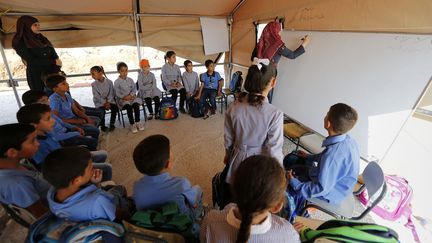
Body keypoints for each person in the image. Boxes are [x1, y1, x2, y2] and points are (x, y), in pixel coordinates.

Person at [200, 155, 301, 243]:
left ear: (233, 188)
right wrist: (291, 233)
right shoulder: (288, 234)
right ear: (277, 206)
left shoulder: (211, 221)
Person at [284, 103, 360, 218]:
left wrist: (295, 183)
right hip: (334, 182)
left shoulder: (333, 156)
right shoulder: (348, 140)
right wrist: (309, 157)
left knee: (289, 184)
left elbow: (321, 188)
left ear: (328, 123)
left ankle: (298, 214)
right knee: (292, 160)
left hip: (331, 191)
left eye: (327, 114)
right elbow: (325, 159)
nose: (325, 116)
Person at [224, 63, 283, 185]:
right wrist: (280, 174)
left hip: (237, 158)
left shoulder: (234, 106)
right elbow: (274, 150)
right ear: (273, 82)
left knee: (236, 189)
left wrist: (228, 155)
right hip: (259, 165)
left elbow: (228, 139)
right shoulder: (275, 114)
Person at [42, 147, 131, 222]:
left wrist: (95, 183)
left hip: (88, 212)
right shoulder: (98, 201)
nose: (94, 169)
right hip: (110, 208)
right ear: (77, 180)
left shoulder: (52, 194)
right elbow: (121, 216)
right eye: (91, 168)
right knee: (120, 189)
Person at [16, 104, 110, 171]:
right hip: (67, 169)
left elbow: (60, 148)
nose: (53, 121)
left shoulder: (47, 133)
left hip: (67, 158)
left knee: (103, 154)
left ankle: (93, 172)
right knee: (107, 168)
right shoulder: (37, 146)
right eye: (48, 119)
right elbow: (49, 169)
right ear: (33, 125)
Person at [132, 135, 203, 220]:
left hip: (152, 223)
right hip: (181, 222)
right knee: (198, 189)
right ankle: (200, 214)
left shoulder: (137, 187)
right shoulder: (181, 183)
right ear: (168, 164)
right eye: (170, 149)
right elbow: (193, 200)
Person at [0, 123, 51, 218]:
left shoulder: (16, 165)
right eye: (32, 141)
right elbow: (41, 214)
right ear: (12, 152)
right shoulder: (16, 183)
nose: (38, 143)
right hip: (60, 208)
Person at [21, 90, 98, 151]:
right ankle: (90, 155)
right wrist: (75, 133)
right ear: (31, 105)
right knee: (92, 140)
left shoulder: (47, 111)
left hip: (66, 131)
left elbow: (61, 122)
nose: (48, 102)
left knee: (94, 130)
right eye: (43, 101)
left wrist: (73, 128)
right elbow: (56, 137)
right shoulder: (39, 120)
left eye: (47, 99)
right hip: (62, 139)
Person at [255, 21, 310, 102]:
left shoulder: (262, 42)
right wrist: (305, 43)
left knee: (257, 95)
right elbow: (292, 55)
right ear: (275, 31)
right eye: (279, 31)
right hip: (269, 73)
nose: (280, 34)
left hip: (258, 72)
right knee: (265, 98)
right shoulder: (277, 45)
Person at [12, 15, 61, 92]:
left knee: (62, 97)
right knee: (44, 99)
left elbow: (53, 53)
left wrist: (56, 64)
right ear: (26, 26)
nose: (38, 27)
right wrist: (53, 61)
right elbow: (32, 60)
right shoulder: (20, 42)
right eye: (35, 25)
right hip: (37, 76)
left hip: (53, 72)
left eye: (39, 25)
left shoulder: (42, 38)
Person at [45, 74, 100, 140]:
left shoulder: (66, 94)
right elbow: (57, 120)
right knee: (95, 130)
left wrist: (87, 118)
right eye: (63, 84)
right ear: (55, 88)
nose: (67, 85)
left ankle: (87, 136)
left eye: (66, 82)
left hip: (73, 118)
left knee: (96, 120)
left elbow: (76, 111)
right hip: (67, 124)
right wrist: (75, 121)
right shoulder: (54, 100)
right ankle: (88, 140)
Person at [114, 62, 144, 133]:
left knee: (136, 105)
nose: (125, 72)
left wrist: (131, 95)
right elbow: (117, 93)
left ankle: (137, 122)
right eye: (122, 71)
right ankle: (132, 123)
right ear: (118, 71)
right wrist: (124, 97)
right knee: (128, 107)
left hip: (132, 98)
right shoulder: (117, 82)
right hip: (123, 99)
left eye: (126, 70)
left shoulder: (130, 80)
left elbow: (134, 89)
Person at [90, 66, 118, 132]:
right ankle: (102, 125)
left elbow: (111, 93)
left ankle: (112, 123)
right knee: (101, 111)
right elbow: (96, 96)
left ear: (100, 73)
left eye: (93, 74)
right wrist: (104, 103)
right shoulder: (93, 84)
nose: (92, 76)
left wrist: (108, 102)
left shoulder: (109, 82)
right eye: (91, 74)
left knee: (115, 108)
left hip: (109, 100)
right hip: (99, 102)